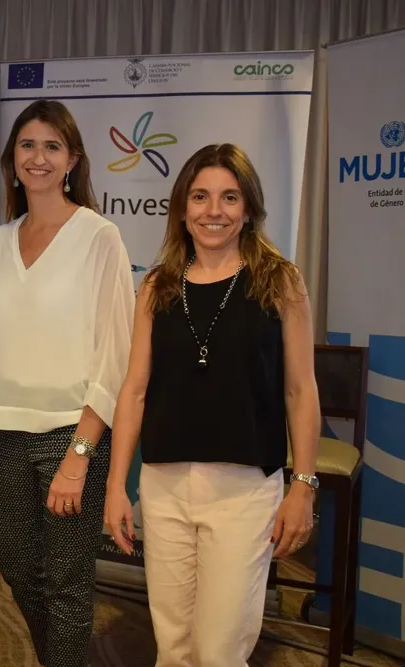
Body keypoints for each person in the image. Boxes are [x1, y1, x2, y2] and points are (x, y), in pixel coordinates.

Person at [104, 143, 320, 667]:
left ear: (248, 207)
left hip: (244, 493)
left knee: (219, 651)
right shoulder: (157, 287)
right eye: (200, 197)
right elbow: (133, 391)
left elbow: (301, 390)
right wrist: (116, 486)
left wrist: (304, 486)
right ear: (182, 207)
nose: (213, 211)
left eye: (229, 197)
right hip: (164, 487)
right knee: (173, 648)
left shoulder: (279, 282)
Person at [0, 100, 135, 667]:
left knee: (65, 582)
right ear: (12, 159)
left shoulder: (98, 236)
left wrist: (81, 453)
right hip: (7, 434)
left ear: (72, 161)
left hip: (71, 431)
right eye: (27, 146)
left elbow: (117, 349)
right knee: (14, 563)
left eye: (51, 147)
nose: (38, 158)